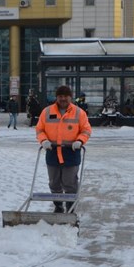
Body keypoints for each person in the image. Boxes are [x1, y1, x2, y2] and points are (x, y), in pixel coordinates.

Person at [36, 85, 91, 213]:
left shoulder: (79, 113)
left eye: (66, 96)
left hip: (71, 152)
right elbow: (39, 129)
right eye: (60, 96)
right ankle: (58, 206)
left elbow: (86, 130)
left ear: (70, 97)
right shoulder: (47, 112)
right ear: (57, 97)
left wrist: (79, 141)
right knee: (54, 183)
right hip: (52, 151)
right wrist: (44, 140)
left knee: (69, 183)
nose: (63, 99)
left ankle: (70, 208)